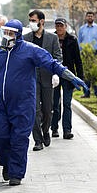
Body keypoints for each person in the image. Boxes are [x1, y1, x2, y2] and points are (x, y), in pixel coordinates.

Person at [0, 19, 88, 186]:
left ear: (18, 35)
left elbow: (51, 63)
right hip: (2, 105)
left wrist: (71, 76)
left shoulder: (30, 50)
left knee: (19, 139)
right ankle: (6, 163)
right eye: (5, 32)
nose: (7, 36)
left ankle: (16, 174)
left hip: (23, 104)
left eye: (11, 33)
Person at [23, 9, 62, 151]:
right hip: (31, 80)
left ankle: (46, 131)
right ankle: (37, 140)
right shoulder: (26, 38)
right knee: (34, 110)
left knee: (47, 109)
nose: (31, 23)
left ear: (42, 21)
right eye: (30, 21)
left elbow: (57, 56)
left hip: (47, 77)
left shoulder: (52, 38)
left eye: (33, 20)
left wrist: (55, 73)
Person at [51, 18, 84, 140]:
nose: (59, 28)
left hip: (69, 75)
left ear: (65, 27)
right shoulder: (51, 38)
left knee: (66, 103)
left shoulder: (72, 40)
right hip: (54, 74)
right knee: (55, 104)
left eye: (61, 26)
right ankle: (54, 128)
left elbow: (78, 60)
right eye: (57, 26)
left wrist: (80, 77)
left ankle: (67, 129)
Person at [78, 11, 97, 98]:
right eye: (88, 16)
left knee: (96, 73)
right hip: (85, 54)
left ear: (94, 17)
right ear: (86, 17)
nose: (90, 18)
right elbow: (79, 42)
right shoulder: (82, 29)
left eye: (91, 16)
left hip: (96, 53)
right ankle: (86, 93)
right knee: (86, 74)